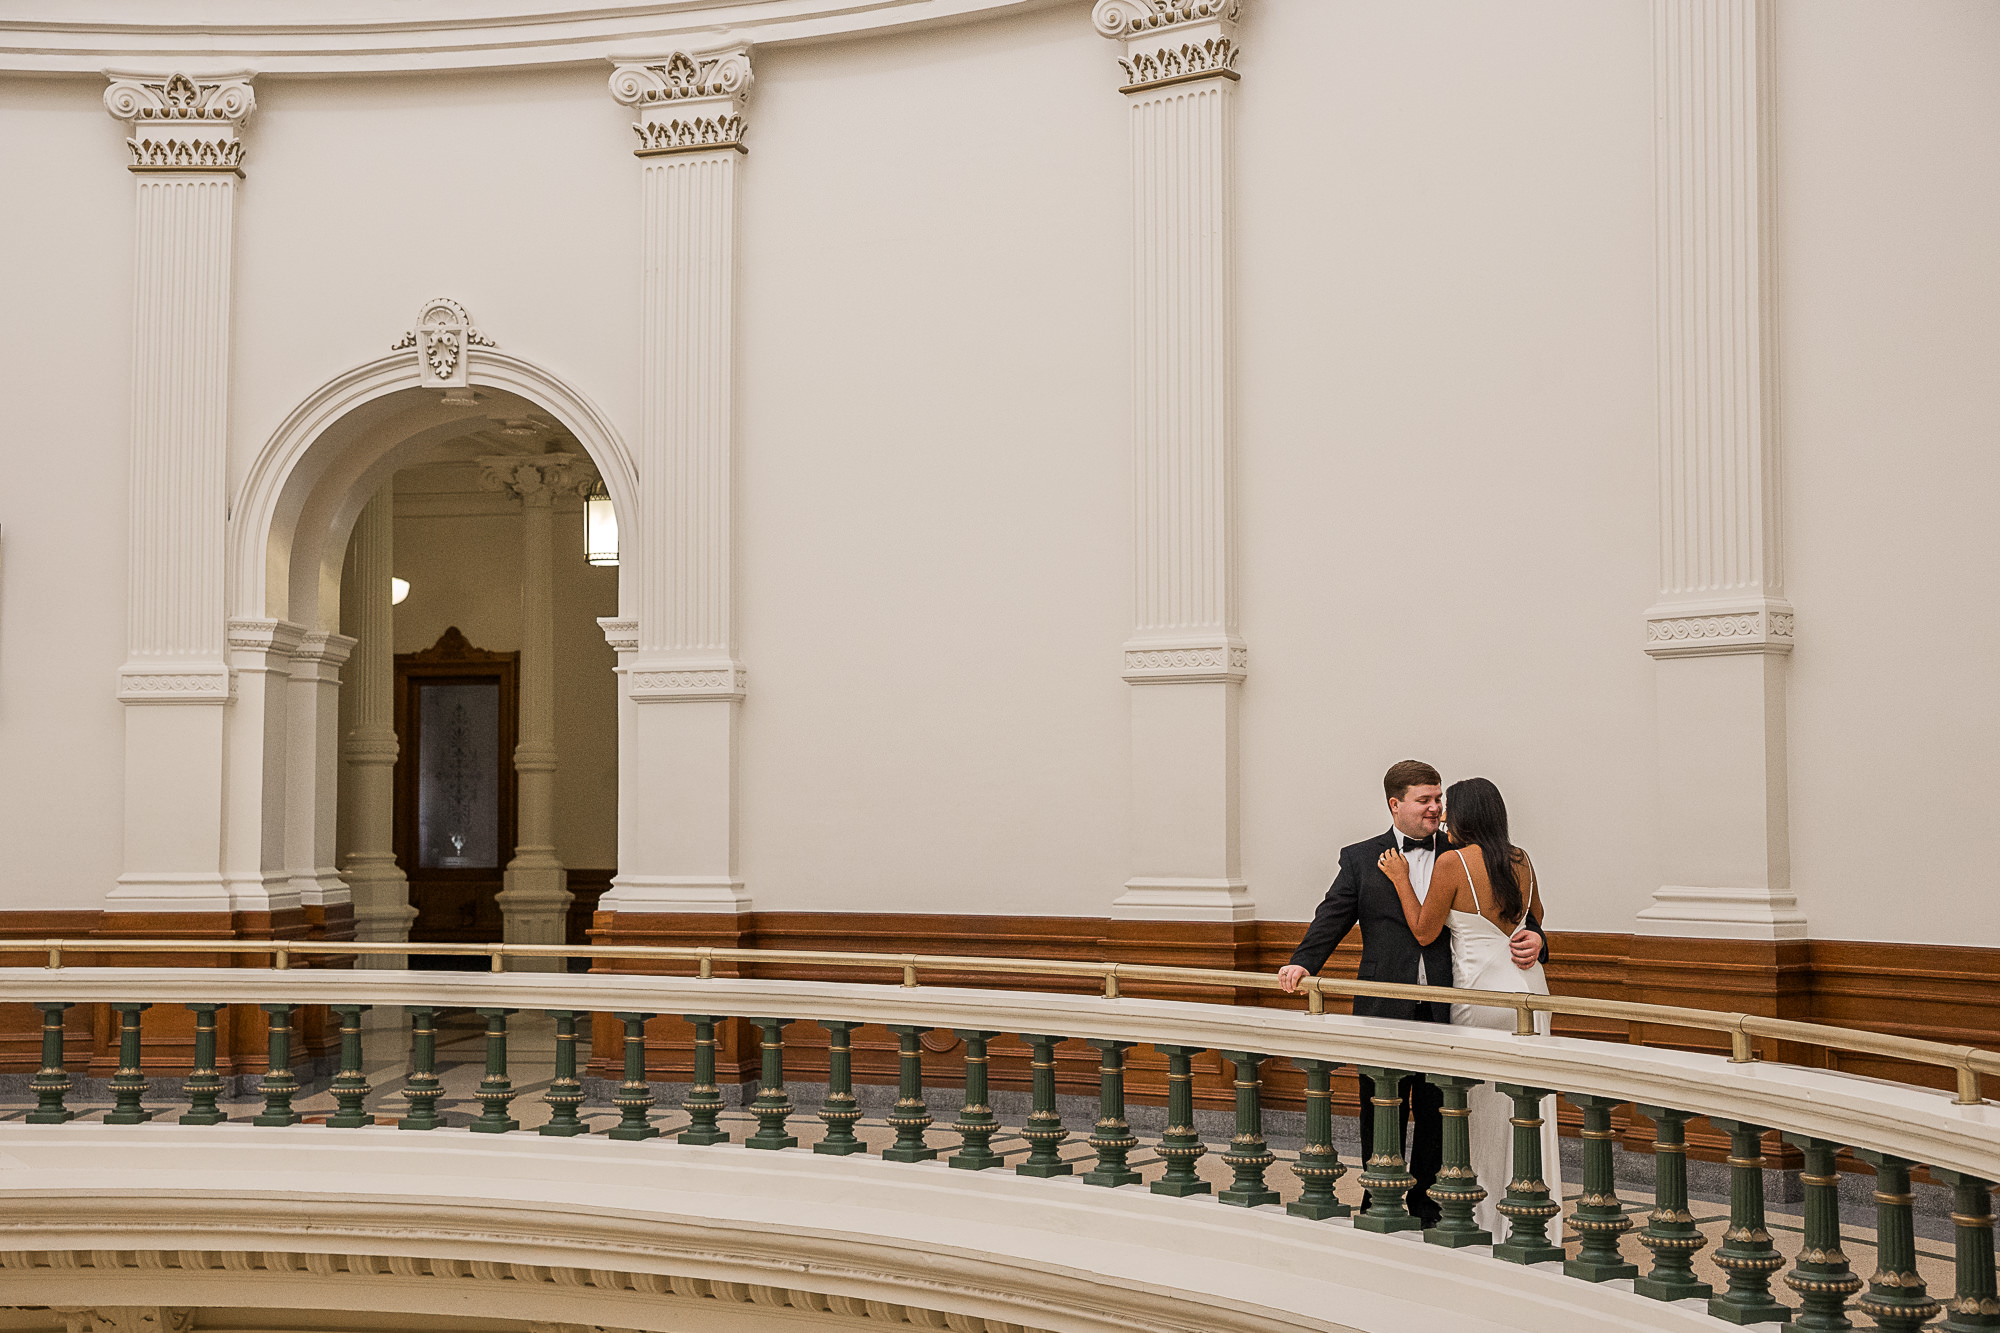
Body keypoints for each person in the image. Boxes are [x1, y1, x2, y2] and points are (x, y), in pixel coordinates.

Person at [1277, 760, 1544, 1226]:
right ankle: (1375, 1195)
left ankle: (1427, 1203)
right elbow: (1332, 915)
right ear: (1394, 804)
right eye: (1425, 800)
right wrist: (1303, 961)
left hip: (1449, 999)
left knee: (1438, 1108)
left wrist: (1541, 942)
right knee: (1380, 1103)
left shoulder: (1462, 851)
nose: (1436, 810)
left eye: (1439, 798)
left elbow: (1517, 915)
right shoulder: (1361, 857)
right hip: (1383, 1000)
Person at [1378, 775, 1562, 1238]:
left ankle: (1481, 1215)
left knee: (1475, 1107)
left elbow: (1423, 930)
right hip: (1529, 989)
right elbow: (1534, 917)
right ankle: (1532, 1210)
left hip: (1479, 993)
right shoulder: (1522, 860)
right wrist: (1535, 938)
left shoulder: (1453, 862)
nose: (1442, 815)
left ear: (1463, 816)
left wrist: (1401, 879)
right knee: (1530, 1103)